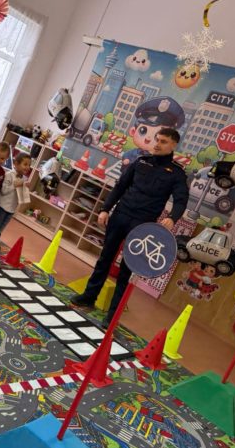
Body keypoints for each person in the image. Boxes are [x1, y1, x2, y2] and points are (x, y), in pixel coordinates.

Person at [71, 127, 189, 327]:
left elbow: (181, 200)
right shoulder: (141, 161)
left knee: (127, 269)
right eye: (157, 140)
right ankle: (89, 297)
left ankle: (112, 314)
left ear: (174, 145)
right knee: (105, 259)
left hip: (143, 224)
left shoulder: (176, 173)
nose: (157, 144)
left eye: (163, 142)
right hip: (121, 215)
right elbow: (120, 186)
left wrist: (172, 218)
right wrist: (105, 209)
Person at [0, 152, 31, 258]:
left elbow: (19, 195)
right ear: (16, 164)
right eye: (25, 164)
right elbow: (3, 191)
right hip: (2, 207)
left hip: (11, 209)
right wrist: (15, 185)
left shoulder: (23, 179)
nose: (27, 167)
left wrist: (25, 189)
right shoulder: (9, 175)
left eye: (29, 165)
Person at [120, 97, 185, 171]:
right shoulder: (134, 152)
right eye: (143, 130)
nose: (148, 138)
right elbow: (127, 155)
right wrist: (127, 160)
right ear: (133, 131)